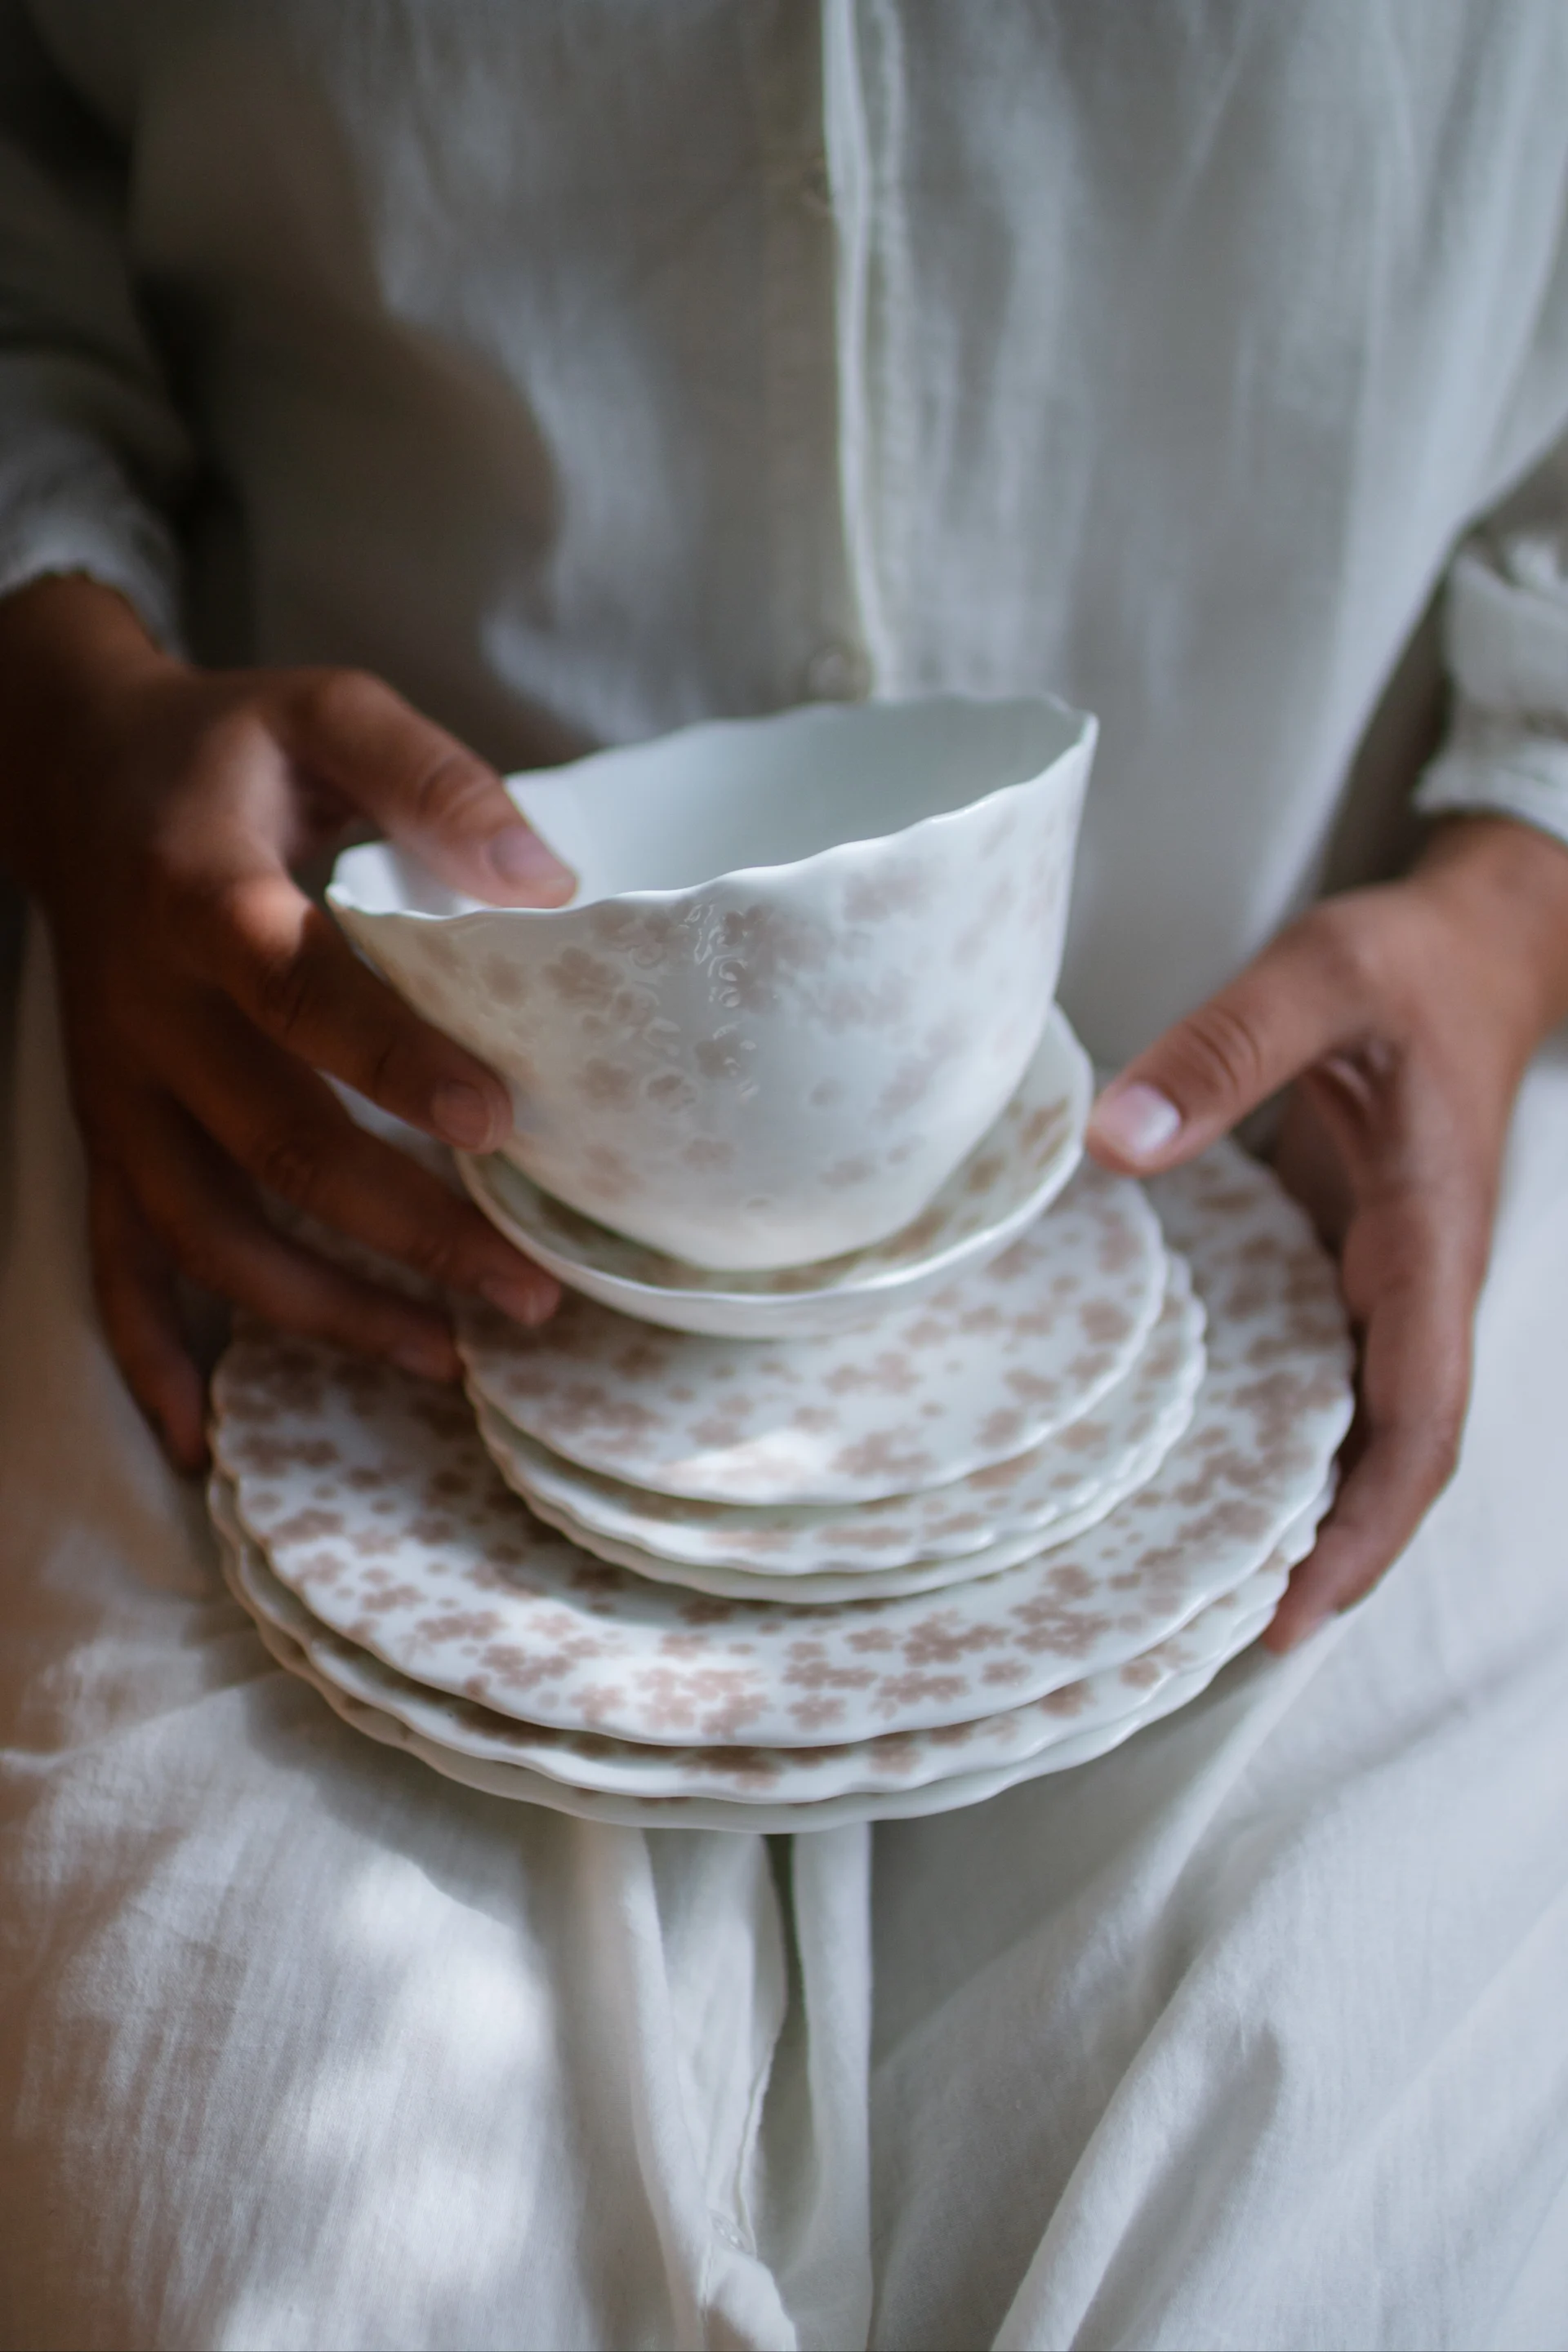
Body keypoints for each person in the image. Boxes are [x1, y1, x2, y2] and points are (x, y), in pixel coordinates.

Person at [2, 6, 1568, 2344]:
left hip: (1310, 1091)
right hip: (323, 1102)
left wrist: (1522, 880)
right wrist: (60, 698)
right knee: (233, 2238)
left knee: (1347, 2221)